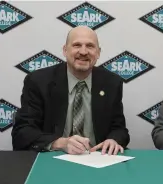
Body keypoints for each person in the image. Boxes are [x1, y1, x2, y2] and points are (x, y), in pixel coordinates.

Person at [12, 26, 130, 155]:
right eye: (77, 45)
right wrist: (60, 143)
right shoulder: (39, 81)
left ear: (98, 52)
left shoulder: (112, 83)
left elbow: (119, 129)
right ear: (65, 50)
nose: (83, 52)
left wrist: (113, 140)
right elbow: (22, 132)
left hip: (97, 159)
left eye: (90, 46)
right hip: (54, 158)